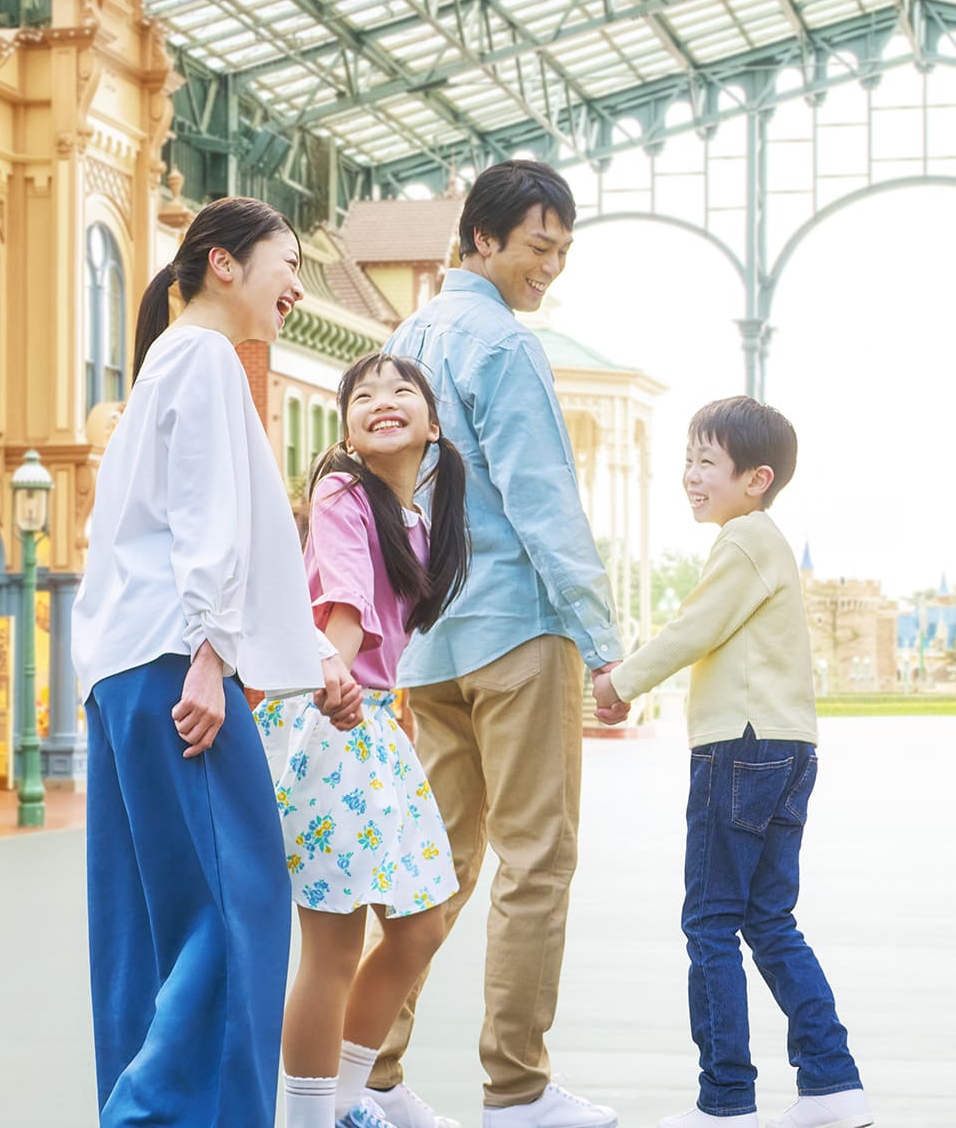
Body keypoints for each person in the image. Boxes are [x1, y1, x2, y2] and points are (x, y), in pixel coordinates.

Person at [72, 196, 342, 1127]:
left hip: (125, 668)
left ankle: (144, 1104)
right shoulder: (205, 357)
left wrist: (297, 648)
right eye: (288, 261)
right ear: (224, 263)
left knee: (144, 927)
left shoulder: (163, 365)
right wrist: (211, 650)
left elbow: (163, 533)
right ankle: (150, 1114)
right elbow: (207, 516)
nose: (297, 286)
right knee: (240, 906)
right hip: (176, 662)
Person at [371, 160, 625, 1128]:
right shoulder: (501, 347)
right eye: (537, 246)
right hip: (517, 630)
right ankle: (515, 1088)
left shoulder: (402, 343)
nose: (549, 267)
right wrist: (601, 640)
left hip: (430, 646)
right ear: (481, 238)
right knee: (536, 860)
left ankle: (371, 1075)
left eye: (560, 249)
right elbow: (542, 497)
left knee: (431, 862)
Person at [593, 397, 871, 1128]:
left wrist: (618, 683)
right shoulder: (766, 540)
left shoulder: (745, 538)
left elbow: (693, 628)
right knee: (770, 918)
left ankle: (726, 1104)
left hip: (739, 747)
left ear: (757, 477)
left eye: (707, 461)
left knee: (710, 922)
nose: (690, 474)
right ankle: (832, 1085)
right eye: (688, 458)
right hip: (788, 748)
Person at [258, 353, 472, 1128]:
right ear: (347, 428)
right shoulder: (343, 488)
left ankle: (349, 1102)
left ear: (434, 423)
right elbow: (342, 603)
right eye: (364, 395)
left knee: (421, 922)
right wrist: (336, 675)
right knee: (334, 940)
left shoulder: (418, 516)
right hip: (329, 715)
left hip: (371, 722)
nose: (383, 400)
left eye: (401, 390)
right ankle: (312, 1118)